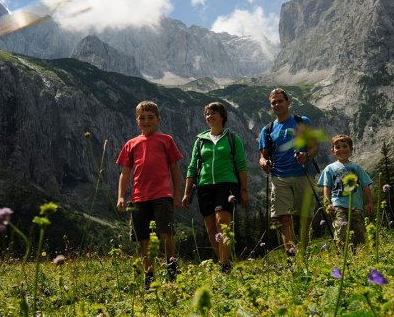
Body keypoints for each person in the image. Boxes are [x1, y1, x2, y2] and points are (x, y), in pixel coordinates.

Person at [116, 100, 184, 288]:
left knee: (165, 233)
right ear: (137, 120)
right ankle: (149, 275)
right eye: (142, 118)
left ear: (158, 119)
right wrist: (121, 196)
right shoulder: (131, 144)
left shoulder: (166, 140)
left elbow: (175, 170)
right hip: (138, 198)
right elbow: (125, 173)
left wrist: (176, 195)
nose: (146, 121)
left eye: (150, 118)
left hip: (162, 195)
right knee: (143, 238)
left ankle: (172, 267)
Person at [181, 102, 249, 273]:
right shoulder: (200, 141)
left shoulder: (233, 139)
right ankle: (224, 261)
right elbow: (191, 167)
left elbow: (241, 165)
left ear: (222, 116)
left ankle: (224, 265)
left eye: (213, 113)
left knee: (222, 222)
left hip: (227, 183)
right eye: (207, 114)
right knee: (211, 228)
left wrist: (243, 190)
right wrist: (186, 192)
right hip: (204, 186)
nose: (209, 116)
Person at [258, 88, 315, 255]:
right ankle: (292, 256)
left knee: (306, 217)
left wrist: (306, 156)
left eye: (280, 101)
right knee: (284, 219)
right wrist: (264, 163)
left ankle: (304, 253)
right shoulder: (267, 129)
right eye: (273, 103)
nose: (277, 104)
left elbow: (314, 148)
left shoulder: (302, 121)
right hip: (279, 177)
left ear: (288, 103)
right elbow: (262, 157)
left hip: (303, 174)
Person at [318, 134, 375, 246]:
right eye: (338, 147)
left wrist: (370, 202)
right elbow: (327, 187)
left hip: (356, 206)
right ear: (333, 151)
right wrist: (327, 204)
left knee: (359, 231)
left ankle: (359, 253)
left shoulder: (356, 168)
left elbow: (365, 186)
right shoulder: (329, 169)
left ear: (351, 149)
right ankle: (341, 252)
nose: (341, 149)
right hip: (338, 205)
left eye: (345, 146)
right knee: (341, 229)